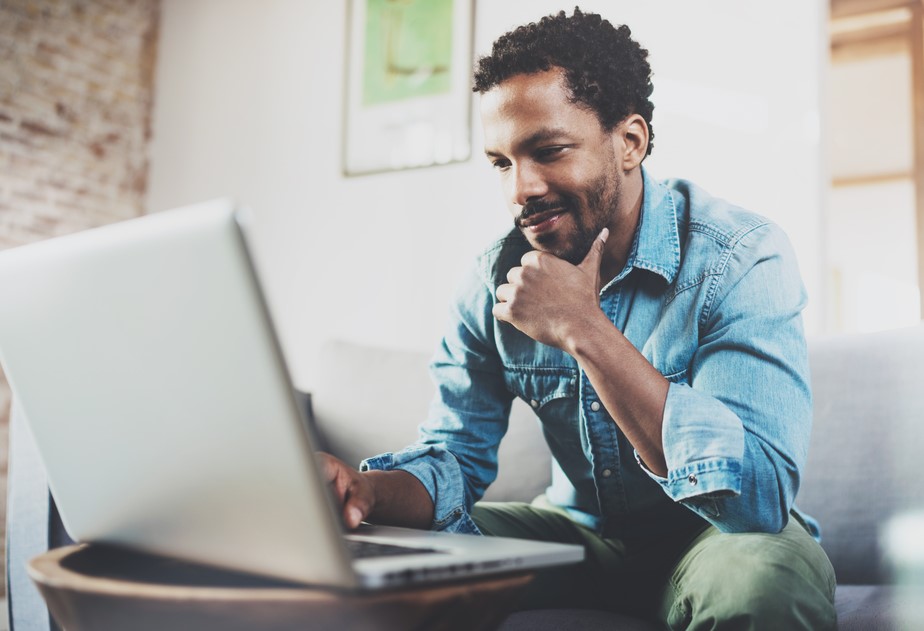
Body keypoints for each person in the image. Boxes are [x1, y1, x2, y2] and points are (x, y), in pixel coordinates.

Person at [322, 7, 836, 628]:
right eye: (502, 163)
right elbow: (455, 454)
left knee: (761, 582)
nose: (521, 189)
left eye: (548, 150)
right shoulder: (494, 279)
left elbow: (755, 497)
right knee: (383, 553)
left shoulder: (740, 256)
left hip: (717, 536)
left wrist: (583, 328)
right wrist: (365, 491)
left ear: (630, 142)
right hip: (576, 534)